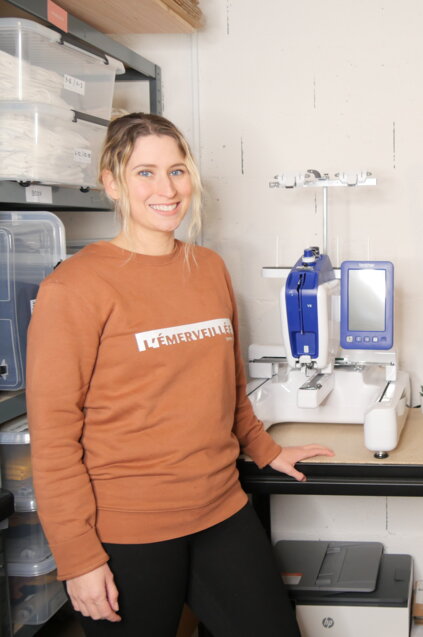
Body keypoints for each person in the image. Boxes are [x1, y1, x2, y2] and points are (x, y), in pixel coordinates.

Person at [26, 112, 334, 636]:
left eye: (177, 171)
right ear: (112, 184)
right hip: (127, 529)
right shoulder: (75, 287)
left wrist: (265, 448)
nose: (166, 189)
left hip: (220, 508)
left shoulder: (208, 268)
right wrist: (77, 556)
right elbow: (54, 436)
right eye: (145, 173)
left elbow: (228, 384)